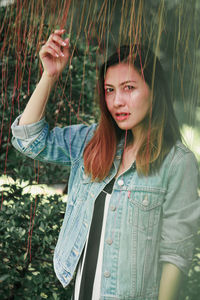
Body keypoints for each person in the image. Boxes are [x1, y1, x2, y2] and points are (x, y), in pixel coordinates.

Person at [11, 29, 200, 300]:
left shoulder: (177, 163)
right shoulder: (92, 141)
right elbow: (28, 141)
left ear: (154, 90)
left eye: (129, 88)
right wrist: (50, 75)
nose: (117, 101)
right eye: (110, 90)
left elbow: (176, 254)